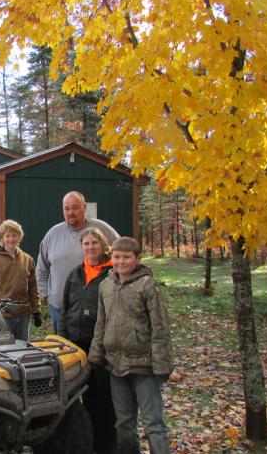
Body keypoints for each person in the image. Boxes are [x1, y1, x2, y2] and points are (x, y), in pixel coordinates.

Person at [88, 237, 174, 454]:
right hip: (116, 366)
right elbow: (101, 323)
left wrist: (162, 364)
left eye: (126, 257)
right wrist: (95, 355)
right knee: (124, 423)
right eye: (117, 257)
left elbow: (160, 326)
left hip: (143, 366)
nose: (121, 262)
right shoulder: (106, 286)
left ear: (137, 259)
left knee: (153, 423)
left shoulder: (147, 285)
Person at [59, 228, 117, 454]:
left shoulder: (112, 274)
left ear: (103, 245)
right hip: (75, 345)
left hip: (100, 346)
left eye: (95, 243)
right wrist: (63, 338)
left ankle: (106, 445)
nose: (91, 247)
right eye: (86, 244)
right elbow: (65, 309)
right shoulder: (76, 274)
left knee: (103, 398)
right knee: (76, 398)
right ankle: (86, 442)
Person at [37, 191, 118, 333]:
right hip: (59, 308)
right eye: (66, 209)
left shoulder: (101, 229)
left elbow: (122, 255)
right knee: (65, 352)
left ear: (85, 207)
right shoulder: (53, 234)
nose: (70, 213)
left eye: (75, 207)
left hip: (94, 310)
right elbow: (41, 270)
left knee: (93, 350)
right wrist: (47, 296)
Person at [0, 219, 42, 340]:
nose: (11, 239)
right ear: (2, 238)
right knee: (5, 348)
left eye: (14, 235)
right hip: (3, 314)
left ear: (19, 237)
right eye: (7, 235)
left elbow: (33, 288)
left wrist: (37, 310)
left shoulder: (27, 260)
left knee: (23, 347)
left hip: (24, 313)